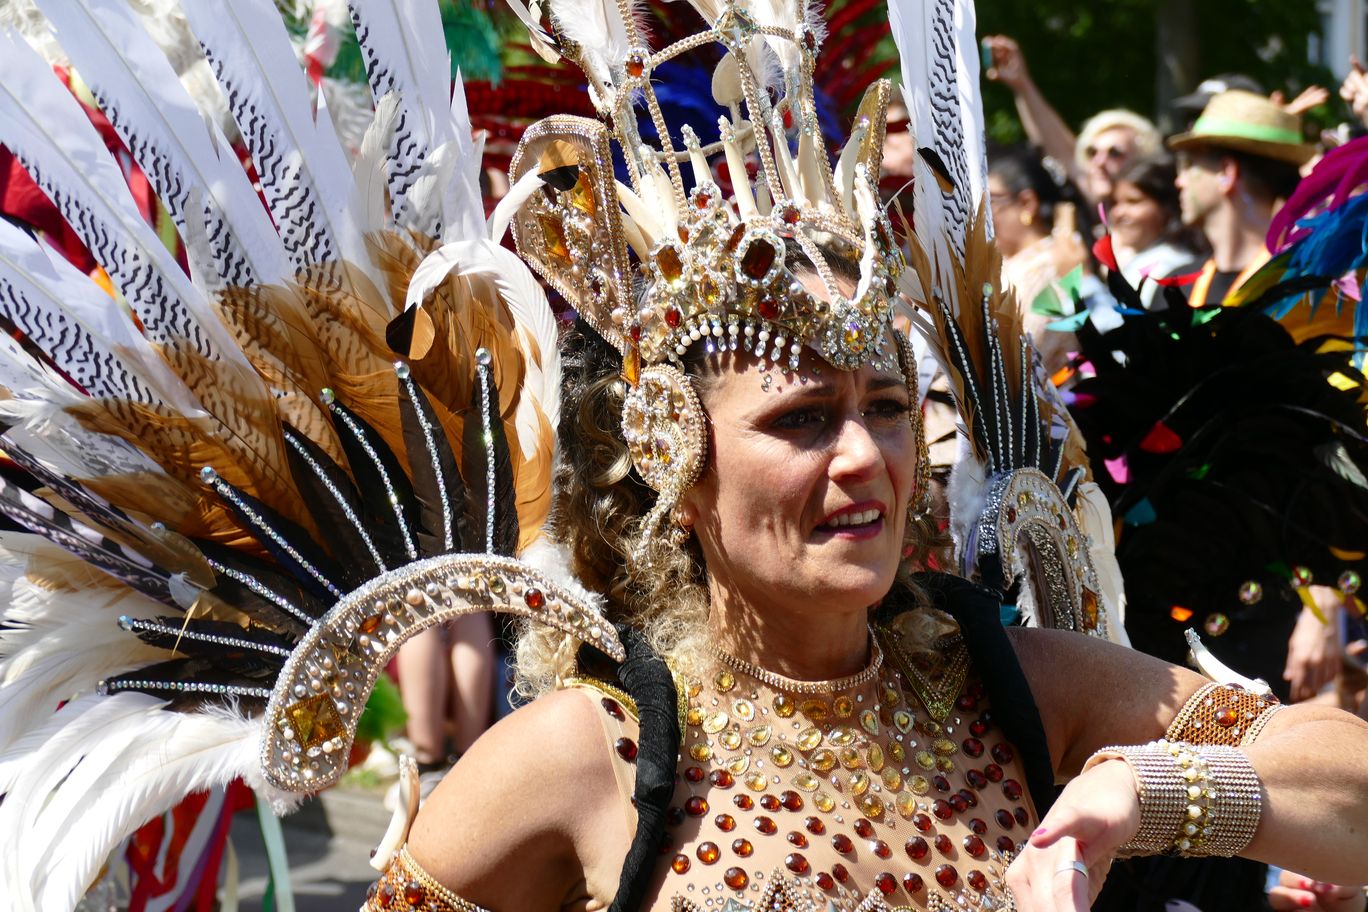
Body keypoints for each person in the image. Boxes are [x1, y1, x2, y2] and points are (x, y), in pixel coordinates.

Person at [983, 35, 1161, 207]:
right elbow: (1061, 150)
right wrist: (1021, 83)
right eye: (1092, 152)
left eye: (1114, 153)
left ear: (1142, 159)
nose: (1099, 162)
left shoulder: (1159, 211)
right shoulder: (1093, 204)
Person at [1106, 154, 1203, 309]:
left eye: (1133, 201)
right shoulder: (1140, 260)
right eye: (1114, 203)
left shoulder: (1167, 267)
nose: (1118, 213)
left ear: (1166, 208)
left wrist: (1085, 280)